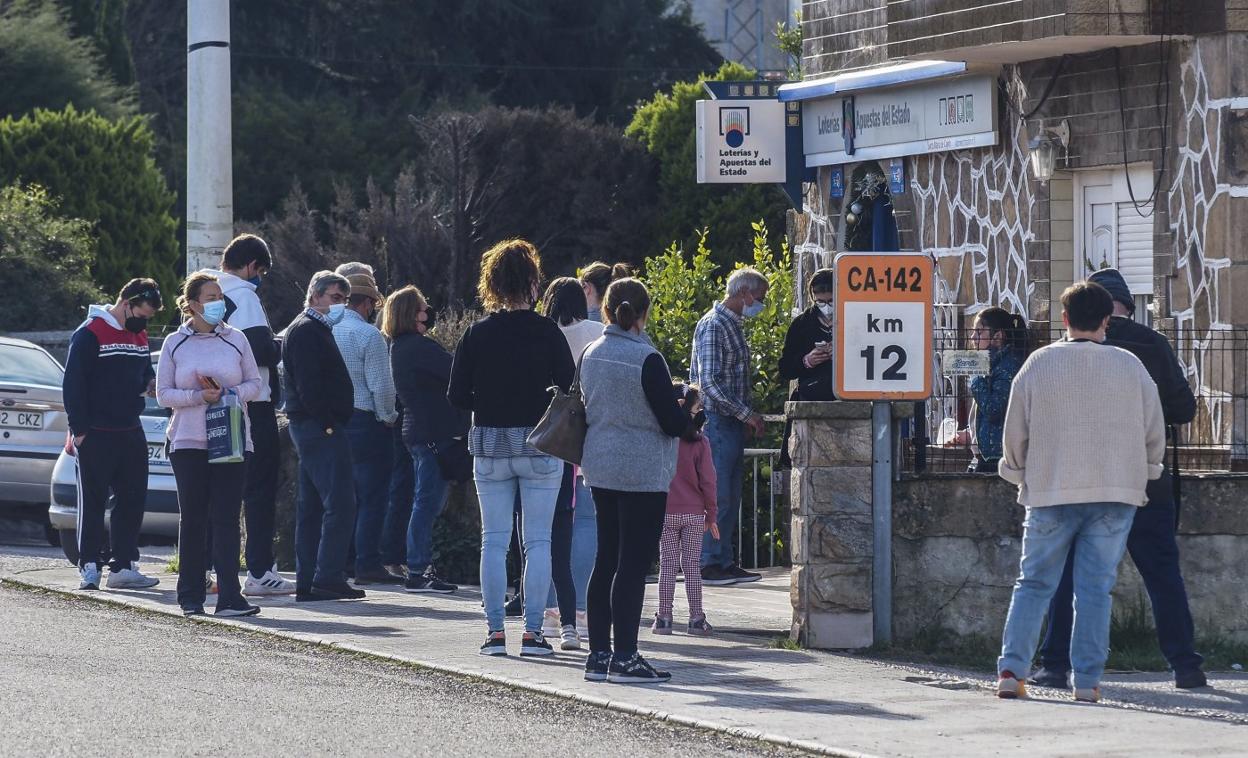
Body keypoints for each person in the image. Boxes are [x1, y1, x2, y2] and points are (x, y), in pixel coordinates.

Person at [1033, 268, 1206, 690]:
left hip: (1080, 478)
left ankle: (1055, 664)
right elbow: (1183, 410)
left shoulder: (1060, 351)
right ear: (1126, 306)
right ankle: (1186, 666)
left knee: (1068, 575)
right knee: (1163, 575)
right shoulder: (1154, 345)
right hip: (1145, 478)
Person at [995, 281, 1165, 703]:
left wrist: (1018, 473)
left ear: (1065, 318)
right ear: (1108, 320)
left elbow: (1014, 431)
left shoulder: (1038, 364)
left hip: (1051, 489)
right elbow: (1153, 431)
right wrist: (1144, 472)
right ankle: (1086, 682)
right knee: (1095, 590)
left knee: (1033, 583)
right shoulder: (1131, 366)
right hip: (1115, 491)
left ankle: (1011, 671)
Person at [448, 239, 575, 657]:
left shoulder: (477, 333)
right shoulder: (548, 331)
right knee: (537, 542)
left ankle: (495, 633)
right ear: (533, 283)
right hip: (540, 445)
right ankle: (535, 634)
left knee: (493, 539)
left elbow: (457, 396)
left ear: (493, 284)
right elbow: (570, 385)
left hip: (489, 444)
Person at [579, 277, 688, 684]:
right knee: (633, 563)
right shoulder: (648, 359)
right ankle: (625, 655)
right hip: (642, 471)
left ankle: (598, 655)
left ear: (607, 310)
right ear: (643, 313)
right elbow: (670, 421)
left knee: (605, 558)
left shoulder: (591, 352)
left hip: (600, 466)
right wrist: (690, 414)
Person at [157, 273, 264, 617]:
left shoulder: (237, 339)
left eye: (219, 294)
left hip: (231, 439)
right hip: (189, 441)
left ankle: (231, 596)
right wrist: (198, 396)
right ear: (192, 304)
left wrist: (228, 394)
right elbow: (163, 395)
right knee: (193, 518)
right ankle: (190, 596)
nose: (218, 301)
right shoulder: (175, 342)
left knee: (227, 518)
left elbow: (255, 384)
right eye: (210, 295)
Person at [63, 278, 164, 591]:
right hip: (96, 432)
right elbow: (74, 385)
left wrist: (149, 383)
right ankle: (89, 566)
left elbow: (144, 371)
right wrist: (80, 431)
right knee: (93, 502)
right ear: (126, 303)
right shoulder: (90, 333)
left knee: (132, 499)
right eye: (143, 313)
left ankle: (123, 566)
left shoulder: (139, 334)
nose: (144, 320)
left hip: (131, 429)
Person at [214, 233, 295, 596]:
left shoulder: (207, 292)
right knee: (259, 490)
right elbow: (260, 348)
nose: (258, 278)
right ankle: (260, 570)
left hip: (214, 404)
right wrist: (281, 344)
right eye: (259, 271)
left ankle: (211, 568)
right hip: (252, 405)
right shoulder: (243, 295)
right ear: (251, 266)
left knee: (217, 491)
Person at [283, 271, 366, 602]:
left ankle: (310, 579)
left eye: (344, 300)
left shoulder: (315, 328)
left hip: (315, 427)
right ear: (315, 296)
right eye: (335, 298)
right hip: (318, 428)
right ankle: (327, 576)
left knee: (314, 506)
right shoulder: (306, 330)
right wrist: (329, 423)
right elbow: (310, 385)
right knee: (341, 503)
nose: (341, 305)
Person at [690, 268, 769, 587]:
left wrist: (743, 416)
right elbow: (708, 383)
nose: (760, 303)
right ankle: (709, 561)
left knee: (730, 495)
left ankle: (722, 558)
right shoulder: (714, 325)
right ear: (744, 294)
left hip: (729, 422)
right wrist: (746, 413)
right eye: (759, 297)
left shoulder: (729, 324)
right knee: (719, 493)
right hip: (718, 422)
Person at [386, 285, 466, 594]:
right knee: (427, 504)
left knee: (425, 502)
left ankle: (419, 567)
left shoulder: (400, 347)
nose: (427, 312)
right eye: (422, 307)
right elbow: (456, 372)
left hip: (420, 433)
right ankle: (418, 569)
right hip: (433, 435)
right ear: (410, 313)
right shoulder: (419, 348)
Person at [538, 277, 604, 649]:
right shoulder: (596, 331)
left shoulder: (544, 332)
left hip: (552, 435)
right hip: (589, 434)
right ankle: (579, 608)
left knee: (547, 527)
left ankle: (549, 609)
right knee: (586, 525)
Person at [332, 272, 402, 584]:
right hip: (367, 421)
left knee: (343, 495)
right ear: (369, 303)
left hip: (337, 421)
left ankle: (343, 560)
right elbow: (382, 387)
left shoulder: (328, 328)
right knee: (373, 496)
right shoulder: (368, 335)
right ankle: (367, 562)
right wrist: (388, 416)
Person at [653, 382, 718, 637]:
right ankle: (696, 618)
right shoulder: (701, 443)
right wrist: (711, 514)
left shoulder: (661, 441)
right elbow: (709, 481)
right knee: (691, 565)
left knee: (667, 565)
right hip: (693, 514)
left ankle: (663, 618)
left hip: (665, 511)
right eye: (698, 408)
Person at [950, 307, 1028, 474]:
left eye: (979, 332)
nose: (973, 337)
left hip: (998, 458)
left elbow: (994, 408)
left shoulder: (1008, 367)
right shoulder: (992, 363)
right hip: (985, 455)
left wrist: (976, 376)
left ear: (998, 336)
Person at [777, 269, 837, 470]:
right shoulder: (801, 325)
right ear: (813, 298)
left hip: (843, 396)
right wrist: (807, 361)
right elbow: (785, 368)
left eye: (831, 302)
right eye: (821, 302)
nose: (826, 307)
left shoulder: (850, 320)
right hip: (812, 393)